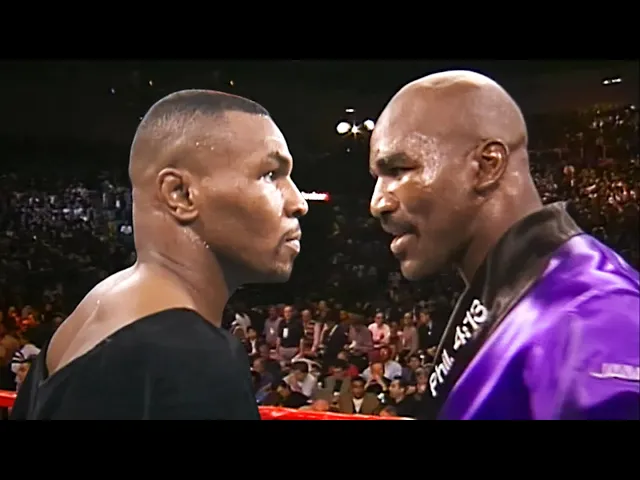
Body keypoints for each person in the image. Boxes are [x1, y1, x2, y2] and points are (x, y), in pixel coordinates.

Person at [11, 90, 308, 420]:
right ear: (180, 194)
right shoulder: (192, 354)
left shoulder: (90, 314)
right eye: (270, 174)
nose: (299, 202)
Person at [369, 70, 639, 420]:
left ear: (486, 166)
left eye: (398, 170)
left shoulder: (593, 319)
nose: (378, 203)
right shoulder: (524, 304)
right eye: (378, 178)